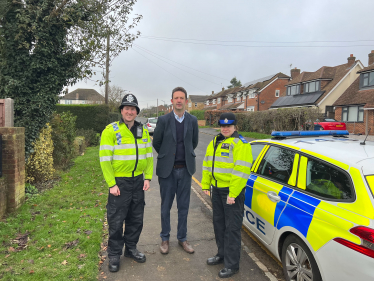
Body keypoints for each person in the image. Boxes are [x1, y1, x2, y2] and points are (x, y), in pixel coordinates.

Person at [99, 93, 153, 272]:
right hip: (119, 182)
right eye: (126, 108)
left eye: (133, 109)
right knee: (116, 220)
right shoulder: (111, 130)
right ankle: (114, 254)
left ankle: (130, 248)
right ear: (122, 111)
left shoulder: (142, 130)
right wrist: (111, 184)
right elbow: (105, 160)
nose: (129, 112)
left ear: (137, 112)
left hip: (138, 181)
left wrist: (147, 177)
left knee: (136, 218)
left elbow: (149, 156)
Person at [201, 112, 253, 279]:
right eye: (223, 126)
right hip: (216, 190)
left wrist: (233, 193)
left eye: (228, 126)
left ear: (234, 127)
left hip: (232, 194)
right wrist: (205, 184)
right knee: (219, 225)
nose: (225, 128)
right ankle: (221, 255)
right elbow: (207, 163)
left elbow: (241, 170)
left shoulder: (241, 144)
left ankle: (232, 265)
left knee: (232, 229)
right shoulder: (215, 141)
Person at [152, 87, 199, 255]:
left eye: (182, 98)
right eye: (176, 98)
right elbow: (156, 142)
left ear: (186, 101)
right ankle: (165, 239)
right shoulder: (163, 120)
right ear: (171, 101)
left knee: (184, 207)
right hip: (167, 172)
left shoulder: (192, 120)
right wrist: (167, 157)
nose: (179, 100)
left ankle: (182, 238)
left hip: (185, 170)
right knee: (165, 207)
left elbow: (193, 143)